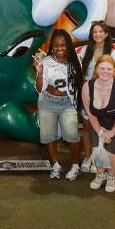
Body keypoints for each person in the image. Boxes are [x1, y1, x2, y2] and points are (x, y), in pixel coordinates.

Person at [33, 29, 84, 181]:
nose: (60, 48)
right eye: (56, 45)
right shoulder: (46, 62)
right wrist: (40, 73)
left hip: (67, 103)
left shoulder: (76, 61)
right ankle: (55, 164)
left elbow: (79, 84)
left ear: (68, 45)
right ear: (52, 46)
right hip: (47, 102)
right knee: (48, 136)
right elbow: (39, 88)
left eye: (63, 45)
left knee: (72, 135)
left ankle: (76, 165)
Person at [81, 55, 115, 193]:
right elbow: (90, 113)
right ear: (96, 69)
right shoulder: (87, 86)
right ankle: (100, 174)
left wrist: (111, 133)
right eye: (102, 68)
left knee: (111, 150)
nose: (105, 72)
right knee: (97, 147)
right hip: (98, 123)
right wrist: (101, 132)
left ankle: (112, 176)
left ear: (114, 70)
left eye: (109, 69)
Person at [77, 20, 115, 173]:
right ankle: (89, 157)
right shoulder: (85, 50)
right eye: (95, 32)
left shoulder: (112, 52)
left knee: (101, 128)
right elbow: (80, 73)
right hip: (87, 93)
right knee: (87, 128)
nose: (98, 34)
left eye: (101, 31)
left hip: (105, 95)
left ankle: (101, 158)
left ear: (106, 34)